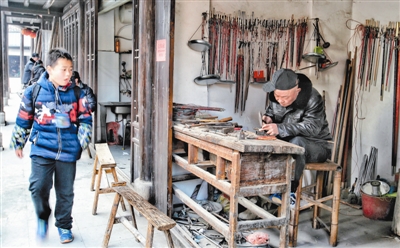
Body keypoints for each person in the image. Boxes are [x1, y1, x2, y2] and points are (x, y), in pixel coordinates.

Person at [10, 48, 93, 244]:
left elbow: (86, 120)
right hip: (41, 149)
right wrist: (18, 142)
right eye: (63, 69)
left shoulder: (77, 92)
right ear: (49, 69)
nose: (68, 74)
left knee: (65, 192)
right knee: (38, 188)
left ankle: (64, 225)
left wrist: (82, 142)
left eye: (70, 69)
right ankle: (42, 217)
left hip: (67, 152)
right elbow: (23, 119)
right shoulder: (34, 91)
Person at [261, 68, 332, 205]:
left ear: (297, 91)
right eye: (277, 96)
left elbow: (312, 128)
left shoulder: (313, 98)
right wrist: (268, 118)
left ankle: (289, 191)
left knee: (297, 142)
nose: (280, 101)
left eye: (285, 97)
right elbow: (271, 111)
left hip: (317, 146)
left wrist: (280, 128)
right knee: (271, 144)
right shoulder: (277, 96)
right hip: (290, 142)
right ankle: (269, 189)